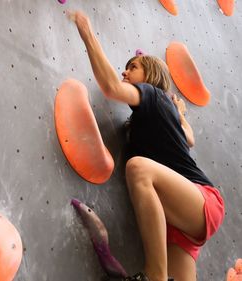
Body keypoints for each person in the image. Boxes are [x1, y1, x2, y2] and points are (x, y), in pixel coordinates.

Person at [66, 10, 225, 281]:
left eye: (133, 67)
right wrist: (181, 115)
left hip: (201, 201)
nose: (125, 71)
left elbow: (111, 88)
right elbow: (189, 139)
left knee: (138, 168)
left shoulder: (153, 95)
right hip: (181, 221)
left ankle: (154, 275)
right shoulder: (162, 112)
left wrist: (87, 33)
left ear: (150, 75)